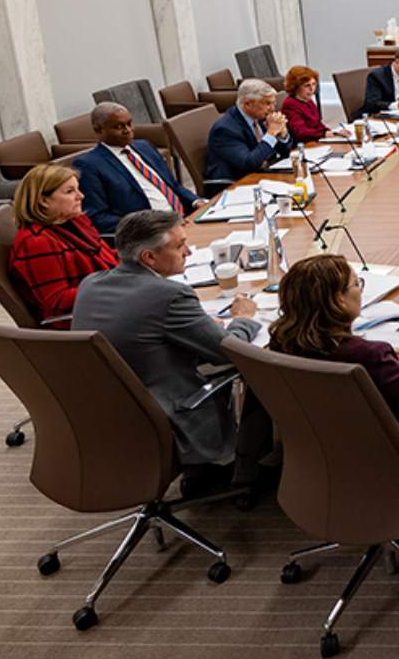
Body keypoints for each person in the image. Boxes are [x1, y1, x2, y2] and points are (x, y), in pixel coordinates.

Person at [72, 209, 268, 497]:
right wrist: (243, 319)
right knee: (260, 373)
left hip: (101, 414)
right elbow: (230, 352)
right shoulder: (170, 296)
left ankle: (204, 472)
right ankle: (246, 475)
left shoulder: (91, 283)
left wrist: (196, 324)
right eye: (179, 246)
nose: (188, 251)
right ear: (149, 258)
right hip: (163, 414)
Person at [268, 253, 399, 473]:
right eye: (356, 284)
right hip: (395, 458)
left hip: (324, 451)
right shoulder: (368, 355)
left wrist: (386, 361)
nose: (360, 291)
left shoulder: (281, 342)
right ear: (339, 299)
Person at [8, 162, 118, 329]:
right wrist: (114, 284)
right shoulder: (36, 242)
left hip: (107, 302)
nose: (81, 196)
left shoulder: (77, 221)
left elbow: (108, 258)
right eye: (69, 191)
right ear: (44, 201)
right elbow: (57, 299)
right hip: (80, 319)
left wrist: (139, 258)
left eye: (78, 189)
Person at [75, 101, 205, 236]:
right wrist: (151, 224)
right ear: (99, 130)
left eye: (129, 124)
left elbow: (172, 185)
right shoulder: (89, 165)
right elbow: (97, 217)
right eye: (119, 127)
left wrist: (196, 202)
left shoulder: (145, 147)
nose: (128, 130)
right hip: (150, 234)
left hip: (185, 219)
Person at [206, 78, 296, 185]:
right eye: (267, 103)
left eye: (273, 103)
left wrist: (282, 134)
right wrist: (271, 133)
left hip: (264, 175)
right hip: (237, 183)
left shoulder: (260, 117)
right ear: (247, 104)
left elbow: (286, 153)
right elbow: (250, 163)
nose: (272, 109)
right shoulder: (225, 129)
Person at [279, 65, 329, 142]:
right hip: (304, 144)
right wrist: (325, 134)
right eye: (306, 86)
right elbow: (301, 132)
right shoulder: (290, 105)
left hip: (315, 140)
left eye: (314, 84)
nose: (312, 89)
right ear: (295, 87)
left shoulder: (308, 100)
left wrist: (332, 133)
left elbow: (318, 124)